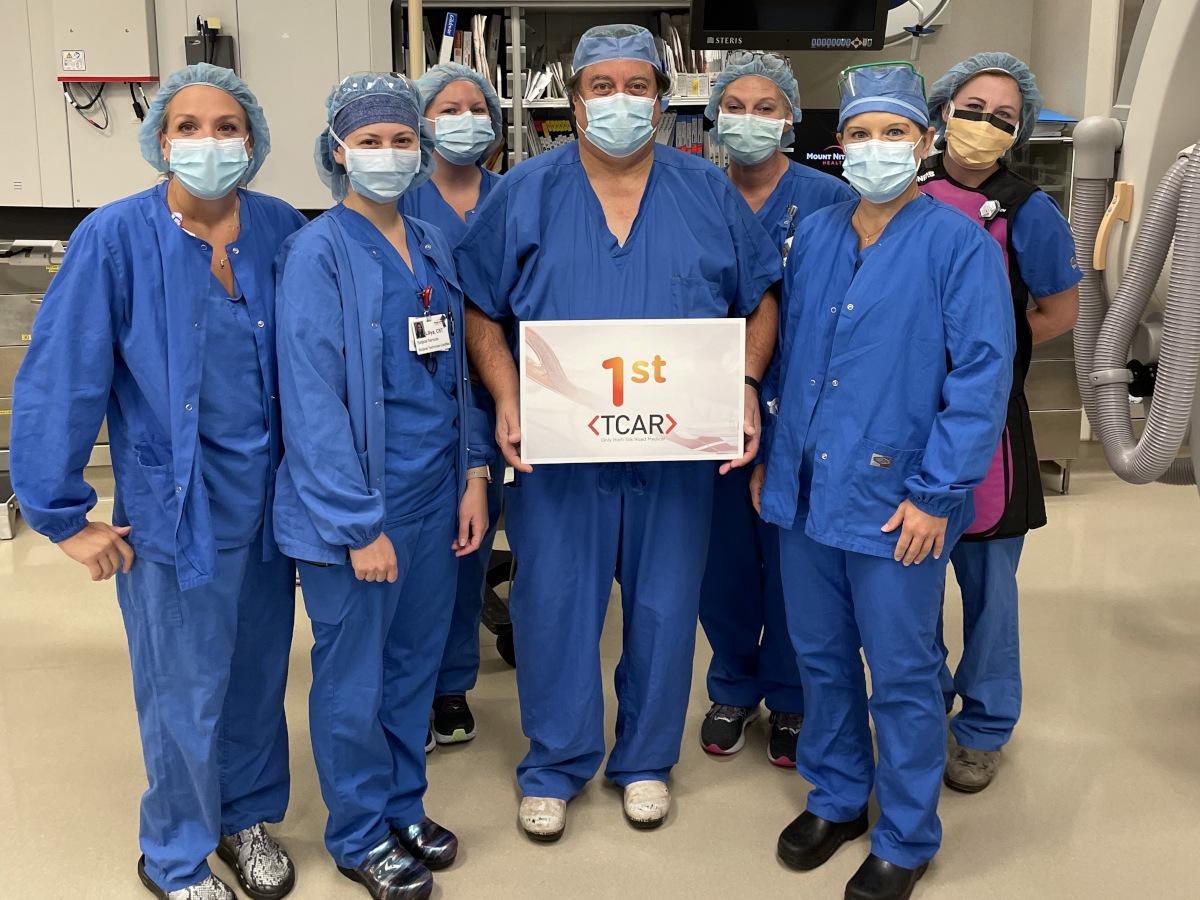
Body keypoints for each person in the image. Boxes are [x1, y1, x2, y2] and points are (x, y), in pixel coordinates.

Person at [458, 24, 782, 840]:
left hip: (675, 449)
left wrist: (743, 381)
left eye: (636, 85)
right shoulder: (522, 192)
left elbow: (761, 298)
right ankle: (556, 762)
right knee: (553, 602)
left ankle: (644, 761)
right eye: (600, 87)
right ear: (573, 102)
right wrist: (505, 394)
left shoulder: (708, 193)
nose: (619, 101)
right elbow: (480, 309)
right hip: (562, 449)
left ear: (664, 101)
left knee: (667, 605)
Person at [10, 63, 303, 900]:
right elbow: (61, 376)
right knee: (184, 686)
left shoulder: (280, 228)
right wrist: (64, 517)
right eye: (188, 127)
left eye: (226, 127)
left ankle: (243, 815)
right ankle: (173, 851)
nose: (208, 143)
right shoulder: (114, 237)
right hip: (174, 510)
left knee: (255, 676)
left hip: (268, 503)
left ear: (253, 139)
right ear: (160, 140)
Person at [756, 62, 1014, 900]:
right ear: (841, 146)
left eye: (894, 133)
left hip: (897, 502)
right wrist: (772, 461)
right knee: (822, 658)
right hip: (803, 494)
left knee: (902, 673)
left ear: (926, 143)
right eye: (861, 135)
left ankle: (907, 833)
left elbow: (980, 380)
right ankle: (838, 796)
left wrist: (938, 495)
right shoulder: (820, 235)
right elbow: (792, 362)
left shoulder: (958, 244)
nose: (876, 149)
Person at [273, 72, 491, 900]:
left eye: (403, 140)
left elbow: (457, 380)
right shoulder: (316, 254)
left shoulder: (431, 245)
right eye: (370, 142)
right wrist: (358, 525)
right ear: (338, 152)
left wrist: (474, 474)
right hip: (358, 511)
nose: (389, 155)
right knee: (355, 678)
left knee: (411, 669)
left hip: (436, 498)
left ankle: (403, 804)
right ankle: (358, 831)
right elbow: (313, 401)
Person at [921, 53, 1081, 794]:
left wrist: (988, 349)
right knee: (908, 584)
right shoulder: (906, 194)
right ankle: (919, 710)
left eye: (1003, 119)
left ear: (1018, 135)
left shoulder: (1030, 211)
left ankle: (982, 726)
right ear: (943, 109)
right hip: (907, 424)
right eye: (972, 108)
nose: (983, 126)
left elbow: (1060, 310)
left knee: (988, 584)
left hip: (988, 432)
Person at [697, 49, 856, 767]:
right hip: (701, 404)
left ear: (791, 117)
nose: (751, 120)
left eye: (767, 108)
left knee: (794, 561)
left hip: (800, 409)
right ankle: (732, 683)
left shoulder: (831, 203)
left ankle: (791, 699)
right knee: (720, 557)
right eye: (737, 106)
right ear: (713, 115)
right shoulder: (693, 192)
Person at [404, 61, 506, 748]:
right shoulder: (398, 198)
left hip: (512, 391)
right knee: (426, 552)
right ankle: (417, 681)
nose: (463, 119)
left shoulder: (517, 194)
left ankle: (452, 685)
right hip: (424, 395)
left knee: (472, 550)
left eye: (475, 107)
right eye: (446, 108)